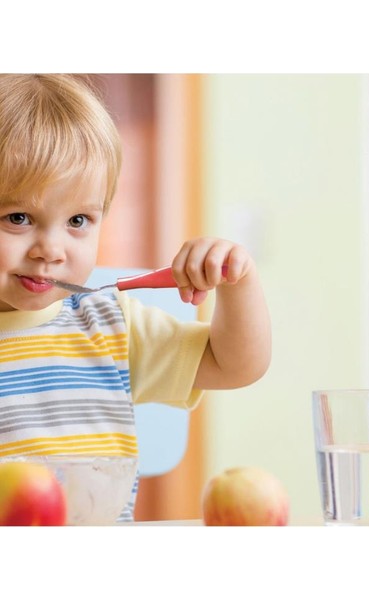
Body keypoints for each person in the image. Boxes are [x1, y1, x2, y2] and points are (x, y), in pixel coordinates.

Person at [0, 74, 272, 521]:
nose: (51, 250)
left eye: (78, 221)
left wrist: (238, 285)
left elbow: (236, 364)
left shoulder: (109, 325)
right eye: (18, 216)